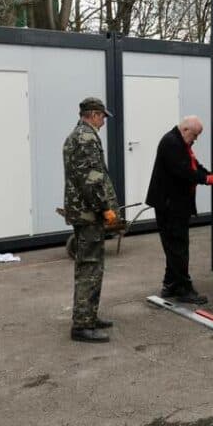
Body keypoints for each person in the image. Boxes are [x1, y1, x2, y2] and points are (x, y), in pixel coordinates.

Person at [145, 115, 213, 304]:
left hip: (173, 203)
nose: (195, 139)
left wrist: (209, 174)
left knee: (174, 245)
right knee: (178, 246)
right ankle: (184, 289)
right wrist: (206, 179)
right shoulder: (171, 143)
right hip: (170, 204)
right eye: (195, 135)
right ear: (186, 130)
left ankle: (170, 284)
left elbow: (193, 166)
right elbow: (184, 171)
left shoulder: (180, 143)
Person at [63, 97, 120, 342]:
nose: (104, 121)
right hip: (89, 213)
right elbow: (91, 179)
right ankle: (82, 325)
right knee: (89, 266)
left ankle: (90, 315)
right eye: (103, 117)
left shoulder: (77, 135)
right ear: (94, 114)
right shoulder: (86, 138)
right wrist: (104, 207)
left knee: (93, 265)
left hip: (83, 211)